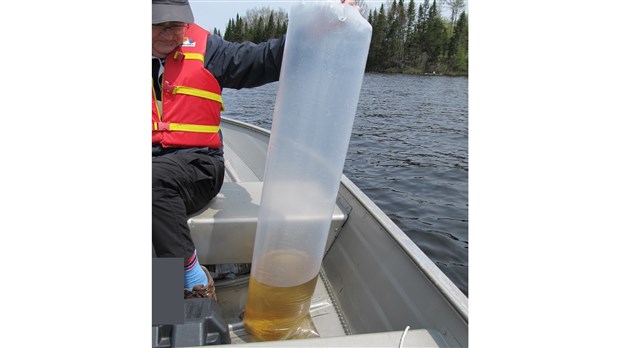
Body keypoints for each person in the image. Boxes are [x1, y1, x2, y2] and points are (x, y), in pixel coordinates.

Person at [152, 0, 357, 300]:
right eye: (162, 25)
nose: (171, 34)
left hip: (198, 165)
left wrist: (315, 27)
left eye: (178, 25)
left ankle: (190, 279)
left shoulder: (210, 50)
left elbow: (262, 59)